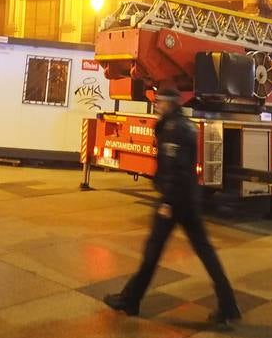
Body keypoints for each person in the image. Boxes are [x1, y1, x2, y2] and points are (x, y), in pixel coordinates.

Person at [103, 86, 241, 325]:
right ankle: (228, 305)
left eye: (159, 101)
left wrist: (167, 201)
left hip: (175, 202)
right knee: (205, 252)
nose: (156, 105)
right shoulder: (183, 125)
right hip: (189, 200)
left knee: (152, 251)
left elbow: (175, 168)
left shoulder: (172, 128)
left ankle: (130, 300)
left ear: (169, 103)